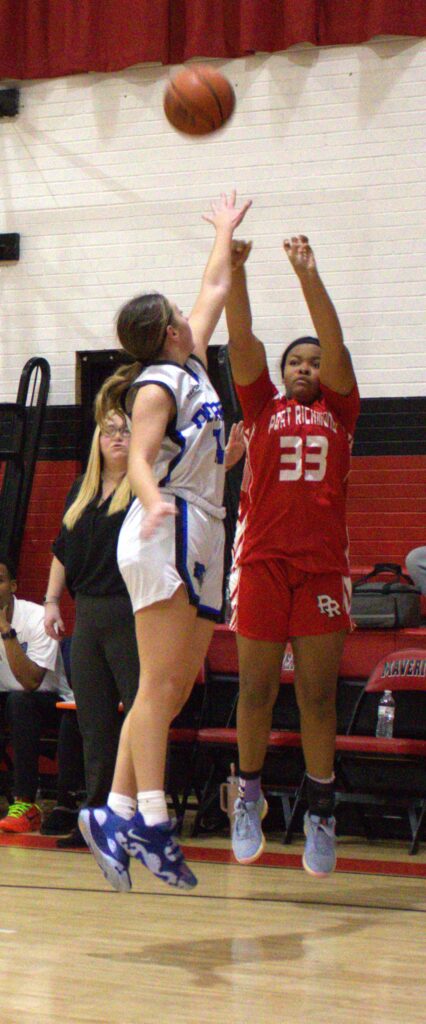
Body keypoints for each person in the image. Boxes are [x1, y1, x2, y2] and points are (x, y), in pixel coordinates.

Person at [78, 189, 252, 893]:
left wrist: (224, 230)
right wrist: (152, 507)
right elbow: (140, 460)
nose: (191, 311)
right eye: (180, 313)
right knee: (157, 686)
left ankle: (113, 812)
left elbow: (215, 284)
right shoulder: (155, 385)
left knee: (171, 688)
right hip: (165, 527)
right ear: (169, 330)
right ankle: (150, 819)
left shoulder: (193, 366)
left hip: (198, 520)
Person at [224, 234, 360, 877]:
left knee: (317, 696)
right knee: (254, 689)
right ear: (281, 375)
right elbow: (243, 338)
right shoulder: (259, 408)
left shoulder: (342, 410)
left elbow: (334, 345)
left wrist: (310, 274)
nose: (307, 367)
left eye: (314, 361)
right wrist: (236, 273)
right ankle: (247, 795)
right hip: (262, 564)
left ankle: (321, 812)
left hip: (323, 568)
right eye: (295, 362)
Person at [43, 409, 140, 846]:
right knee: (94, 724)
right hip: (88, 614)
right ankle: (99, 819)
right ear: (98, 441)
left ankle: (138, 818)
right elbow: (61, 550)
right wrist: (50, 601)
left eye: (126, 430)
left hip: (133, 613)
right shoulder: (79, 492)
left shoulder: (144, 489)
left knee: (140, 718)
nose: (118, 437)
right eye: (110, 431)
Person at [0, 555, 74, 832]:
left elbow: (31, 682)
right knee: (15, 703)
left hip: (52, 704)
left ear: (14, 586)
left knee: (21, 702)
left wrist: (6, 631)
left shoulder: (37, 618)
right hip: (8, 700)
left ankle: (26, 803)